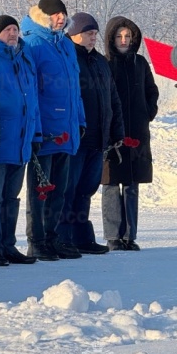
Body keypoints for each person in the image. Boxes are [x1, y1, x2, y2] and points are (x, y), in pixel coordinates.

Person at [21, 0, 85, 261]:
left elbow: (75, 89)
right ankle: (36, 240)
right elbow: (31, 91)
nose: (60, 18)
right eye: (55, 14)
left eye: (63, 14)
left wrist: (80, 120)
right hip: (46, 129)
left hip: (66, 129)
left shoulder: (66, 45)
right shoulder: (33, 44)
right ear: (42, 16)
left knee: (59, 189)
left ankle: (52, 236)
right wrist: (35, 129)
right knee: (41, 190)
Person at [58, 13, 125, 255]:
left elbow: (112, 99)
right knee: (69, 189)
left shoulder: (100, 61)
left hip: (99, 138)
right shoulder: (68, 58)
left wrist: (117, 131)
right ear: (74, 34)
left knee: (87, 188)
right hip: (76, 138)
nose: (93, 37)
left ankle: (82, 237)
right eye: (88, 33)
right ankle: (63, 237)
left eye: (95, 33)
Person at [0, 16, 40, 266]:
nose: (13, 33)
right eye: (7, 30)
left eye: (15, 29)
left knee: (12, 198)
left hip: (21, 142)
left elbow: (32, 100)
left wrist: (35, 134)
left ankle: (8, 245)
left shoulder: (24, 59)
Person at [101, 16, 159, 251]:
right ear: (111, 39)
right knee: (112, 183)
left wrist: (147, 113)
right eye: (119, 36)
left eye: (127, 36)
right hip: (113, 133)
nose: (123, 40)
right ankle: (114, 236)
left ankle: (129, 236)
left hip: (137, 133)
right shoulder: (105, 63)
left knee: (132, 183)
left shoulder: (140, 63)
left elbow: (151, 92)